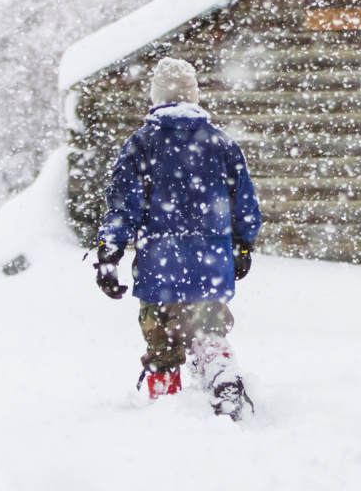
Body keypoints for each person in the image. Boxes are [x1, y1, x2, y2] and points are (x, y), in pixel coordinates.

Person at [93, 57, 262, 420]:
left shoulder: (143, 144)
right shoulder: (220, 143)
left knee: (162, 348)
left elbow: (123, 206)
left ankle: (166, 412)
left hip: (160, 267)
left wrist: (110, 253)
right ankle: (224, 379)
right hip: (211, 265)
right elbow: (246, 205)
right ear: (193, 95)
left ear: (157, 97)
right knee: (209, 331)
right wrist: (243, 246)